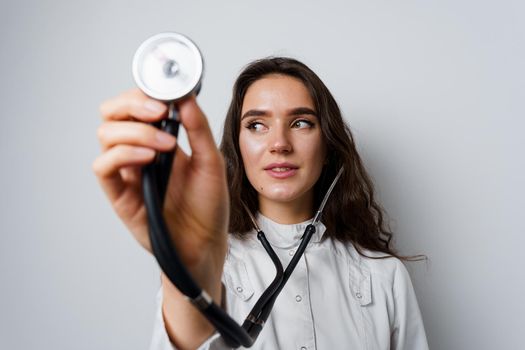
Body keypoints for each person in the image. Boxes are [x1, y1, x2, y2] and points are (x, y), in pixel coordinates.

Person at [93, 57, 429, 350]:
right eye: (256, 125)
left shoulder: (384, 276)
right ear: (238, 148)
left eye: (301, 123)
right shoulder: (209, 266)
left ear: (327, 147)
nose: (279, 144)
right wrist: (185, 271)